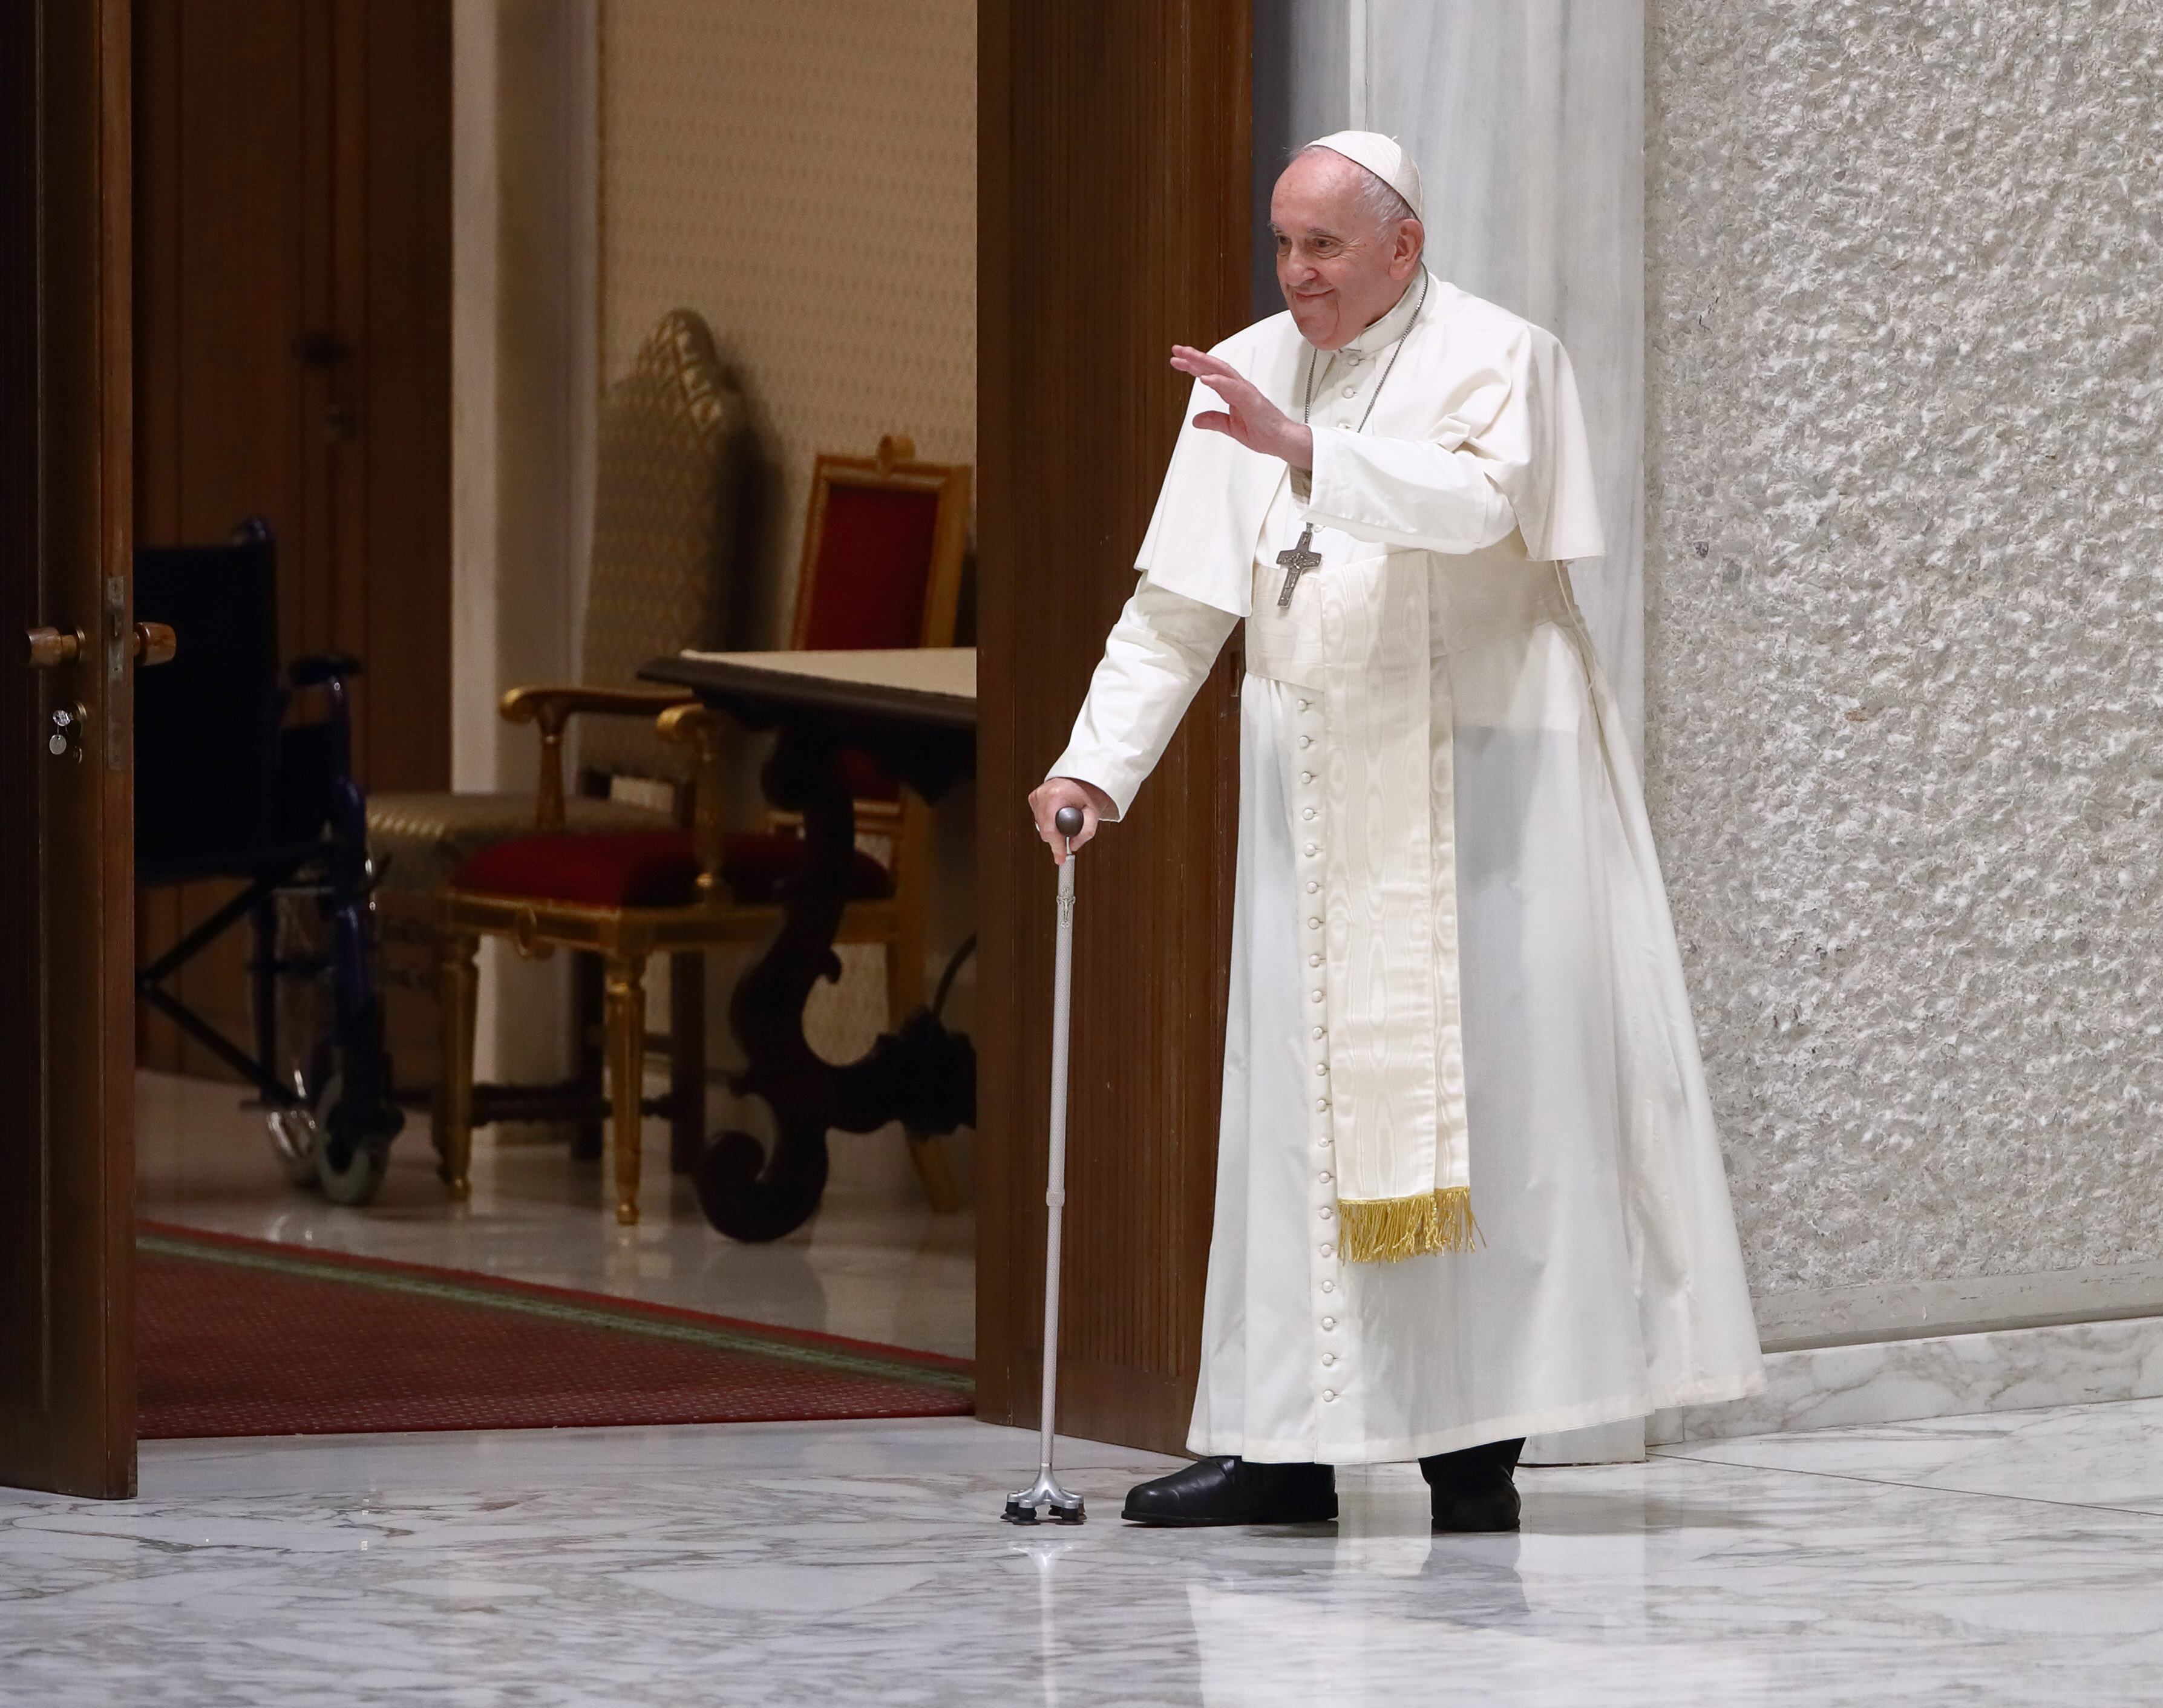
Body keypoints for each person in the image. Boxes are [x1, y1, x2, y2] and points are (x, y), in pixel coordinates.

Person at [1028, 131, 1764, 1534]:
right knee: (1291, 1115)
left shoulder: (1502, 355)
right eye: (1282, 243)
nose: (1295, 272)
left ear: (1403, 246)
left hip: (1481, 797)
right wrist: (1093, 766)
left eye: (1323, 245)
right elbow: (1180, 607)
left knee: (1481, 1100)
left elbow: (1483, 506)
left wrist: (1311, 450)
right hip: (1310, 798)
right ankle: (1281, 1448)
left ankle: (1471, 1449)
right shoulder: (1249, 371)